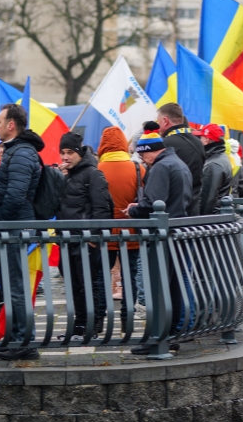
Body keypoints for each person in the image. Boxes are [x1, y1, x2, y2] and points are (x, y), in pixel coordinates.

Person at [0, 103, 43, 361]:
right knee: (11, 287)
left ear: (11, 124)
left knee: (16, 287)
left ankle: (25, 342)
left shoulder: (20, 153)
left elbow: (15, 195)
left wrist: (0, 221)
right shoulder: (16, 151)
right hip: (11, 226)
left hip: (14, 227)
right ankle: (15, 338)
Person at [126, 131, 192, 354]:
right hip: (177, 232)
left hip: (163, 235)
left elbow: (153, 203)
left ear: (150, 152)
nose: (141, 160)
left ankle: (156, 337)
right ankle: (170, 334)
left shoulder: (161, 167)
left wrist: (134, 209)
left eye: (142, 155)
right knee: (172, 287)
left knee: (158, 287)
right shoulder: (179, 163)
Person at [58, 132, 112, 340]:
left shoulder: (93, 174)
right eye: (62, 152)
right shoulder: (65, 175)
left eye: (70, 152)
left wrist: (93, 239)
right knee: (73, 287)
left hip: (85, 242)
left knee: (87, 285)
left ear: (79, 152)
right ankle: (78, 326)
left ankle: (91, 326)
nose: (65, 157)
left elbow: (102, 208)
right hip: (67, 240)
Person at [96, 126, 145, 327]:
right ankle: (127, 318)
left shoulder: (97, 170)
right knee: (131, 274)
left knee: (101, 275)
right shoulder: (137, 168)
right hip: (131, 228)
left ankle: (98, 318)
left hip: (104, 229)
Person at [157, 103, 206, 216]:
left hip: (170, 210)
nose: (158, 126)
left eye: (158, 121)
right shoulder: (198, 142)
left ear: (165, 121)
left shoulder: (165, 144)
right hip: (193, 209)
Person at [195, 124, 233, 215]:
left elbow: (207, 199)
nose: (199, 140)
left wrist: (200, 221)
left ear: (206, 140)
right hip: (218, 216)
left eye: (201, 138)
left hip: (212, 220)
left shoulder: (213, 164)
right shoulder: (221, 157)